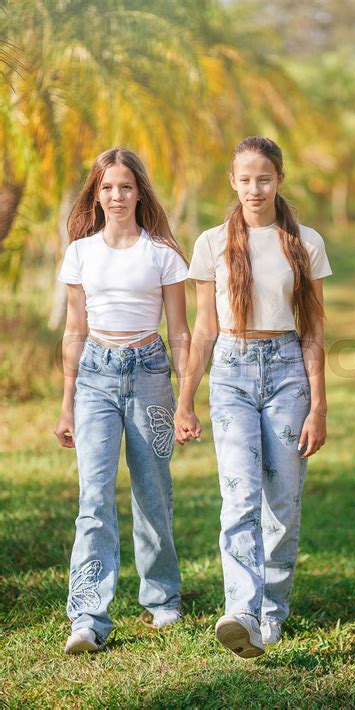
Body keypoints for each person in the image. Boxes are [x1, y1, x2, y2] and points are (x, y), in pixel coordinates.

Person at [174, 135, 332, 659]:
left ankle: (271, 614)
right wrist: (185, 399)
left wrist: (319, 404)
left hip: (288, 372)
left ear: (279, 179)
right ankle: (241, 610)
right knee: (239, 495)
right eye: (244, 179)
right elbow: (203, 330)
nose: (254, 188)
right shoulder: (212, 242)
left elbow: (312, 329)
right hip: (231, 374)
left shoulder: (304, 242)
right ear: (232, 181)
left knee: (281, 503)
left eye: (263, 178)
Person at [54, 147, 190, 654]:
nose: (117, 195)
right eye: (107, 187)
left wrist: (185, 399)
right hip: (95, 378)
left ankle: (162, 597)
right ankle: (88, 616)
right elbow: (73, 330)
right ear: (97, 192)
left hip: (152, 374)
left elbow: (180, 332)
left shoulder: (162, 254)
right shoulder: (81, 252)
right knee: (93, 500)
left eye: (126, 187)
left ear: (139, 192)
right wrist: (67, 403)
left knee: (153, 491)